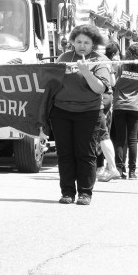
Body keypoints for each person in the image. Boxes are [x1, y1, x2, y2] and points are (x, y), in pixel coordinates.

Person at [49, 24, 111, 205]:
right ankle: (67, 192)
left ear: (93, 44)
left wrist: (86, 72)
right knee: (65, 153)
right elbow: (51, 82)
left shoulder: (100, 60)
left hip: (89, 112)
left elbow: (100, 88)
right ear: (73, 42)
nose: (82, 45)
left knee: (86, 153)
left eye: (86, 42)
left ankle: (85, 193)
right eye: (78, 42)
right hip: (61, 112)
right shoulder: (64, 57)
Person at [112, 42, 138, 180]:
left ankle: (119, 169)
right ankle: (132, 172)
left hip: (119, 105)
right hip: (135, 107)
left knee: (120, 139)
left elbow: (113, 83)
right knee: (132, 139)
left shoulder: (121, 66)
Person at [96, 41, 121, 182]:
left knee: (100, 133)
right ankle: (107, 167)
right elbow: (113, 82)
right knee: (103, 132)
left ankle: (103, 167)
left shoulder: (95, 59)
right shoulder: (108, 62)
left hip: (98, 99)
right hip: (107, 98)